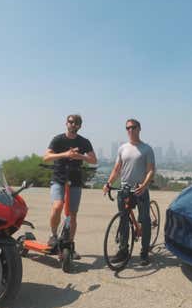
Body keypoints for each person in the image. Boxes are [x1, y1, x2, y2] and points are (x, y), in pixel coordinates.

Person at [43, 114, 97, 260]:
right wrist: (65, 154)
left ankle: (70, 245)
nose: (73, 125)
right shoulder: (58, 139)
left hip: (75, 180)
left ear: (80, 126)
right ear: (66, 123)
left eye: (76, 123)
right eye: (71, 122)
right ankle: (53, 235)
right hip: (58, 179)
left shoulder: (84, 142)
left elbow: (93, 160)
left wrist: (81, 157)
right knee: (57, 206)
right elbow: (46, 157)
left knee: (72, 214)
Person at [103, 118, 155, 266]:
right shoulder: (122, 148)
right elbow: (117, 169)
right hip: (124, 189)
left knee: (144, 220)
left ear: (139, 128)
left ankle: (144, 252)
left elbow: (151, 170)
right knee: (123, 220)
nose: (130, 130)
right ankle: (123, 250)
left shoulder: (146, 148)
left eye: (133, 127)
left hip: (140, 190)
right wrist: (108, 184)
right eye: (127, 128)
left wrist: (144, 185)